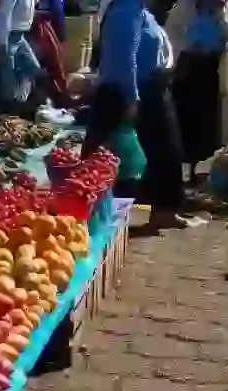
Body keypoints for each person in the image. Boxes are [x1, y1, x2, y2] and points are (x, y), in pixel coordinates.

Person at [86, 0, 184, 232]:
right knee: (105, 159)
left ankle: (165, 211)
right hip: (123, 94)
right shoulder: (125, 10)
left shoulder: (141, 10)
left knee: (166, 151)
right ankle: (91, 217)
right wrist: (132, 100)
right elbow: (124, 60)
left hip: (149, 89)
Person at [166, 0, 228, 184]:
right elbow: (171, 34)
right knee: (184, 119)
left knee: (207, 122)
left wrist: (220, 14)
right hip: (187, 65)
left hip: (211, 67)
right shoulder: (183, 7)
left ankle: (197, 171)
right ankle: (181, 170)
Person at [0, 0, 41, 106]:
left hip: (21, 35)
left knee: (33, 67)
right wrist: (3, 40)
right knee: (8, 73)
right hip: (10, 35)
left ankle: (19, 99)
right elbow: (4, 13)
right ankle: (8, 105)